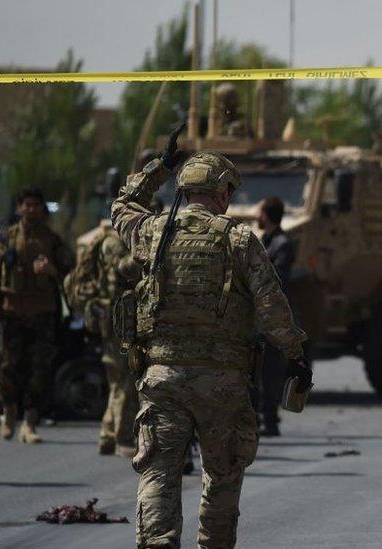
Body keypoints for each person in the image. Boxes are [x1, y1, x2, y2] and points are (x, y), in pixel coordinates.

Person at [111, 124, 311, 548]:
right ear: (222, 194)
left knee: (159, 475)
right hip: (223, 382)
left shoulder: (153, 234)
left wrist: (159, 166)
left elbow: (123, 205)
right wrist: (295, 352)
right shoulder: (238, 239)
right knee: (222, 476)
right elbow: (271, 307)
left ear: (184, 190)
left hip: (163, 378)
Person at [0, 187, 72, 443]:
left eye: (35, 205)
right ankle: (9, 412)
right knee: (9, 367)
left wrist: (52, 271)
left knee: (39, 370)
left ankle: (30, 423)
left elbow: (71, 275)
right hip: (12, 313)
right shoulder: (8, 239)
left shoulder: (53, 241)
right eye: (27, 205)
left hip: (43, 314)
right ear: (20, 207)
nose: (31, 209)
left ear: (41, 208)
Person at [66, 216, 141, 457]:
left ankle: (108, 435)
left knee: (118, 381)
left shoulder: (113, 238)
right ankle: (122, 438)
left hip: (119, 320)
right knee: (125, 381)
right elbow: (123, 270)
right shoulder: (115, 242)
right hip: (120, 322)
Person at [255, 196, 296, 436]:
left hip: (273, 317)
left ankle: (270, 420)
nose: (256, 217)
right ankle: (260, 417)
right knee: (256, 368)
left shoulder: (283, 243)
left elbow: (278, 278)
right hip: (259, 315)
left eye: (260, 213)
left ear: (267, 215)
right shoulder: (266, 241)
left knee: (270, 370)